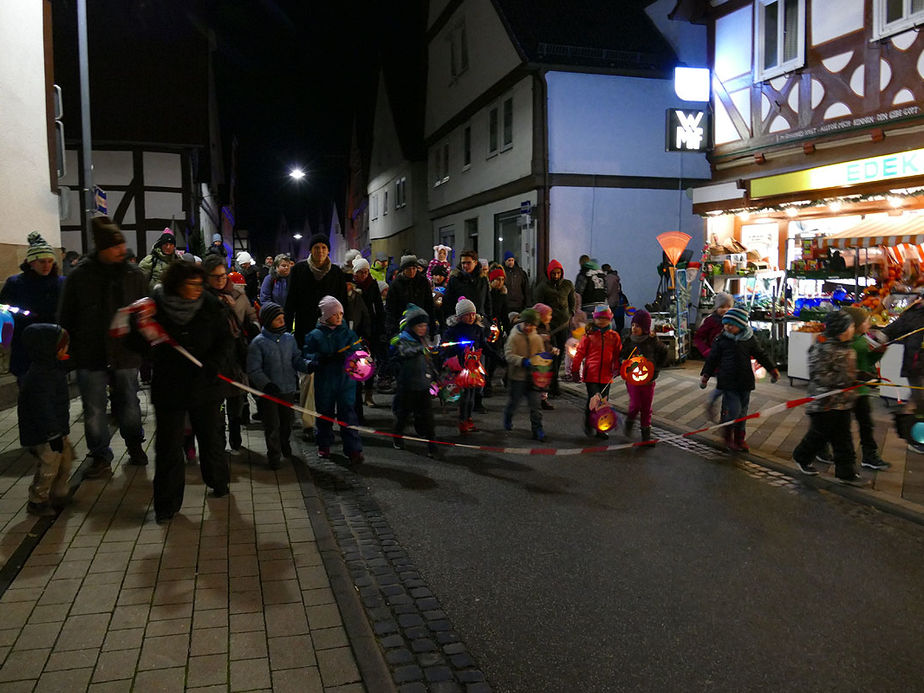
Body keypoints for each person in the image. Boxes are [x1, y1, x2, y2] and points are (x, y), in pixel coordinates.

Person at [139, 261, 233, 523]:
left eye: (198, 284)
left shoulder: (211, 305)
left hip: (205, 383)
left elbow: (225, 339)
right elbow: (143, 344)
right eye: (190, 284)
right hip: (170, 385)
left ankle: (218, 480)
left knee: (210, 435)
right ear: (176, 284)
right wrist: (143, 336)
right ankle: (166, 504)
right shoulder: (156, 306)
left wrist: (214, 364)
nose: (196, 289)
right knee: (169, 445)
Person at [58, 216, 149, 476]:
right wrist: (70, 351)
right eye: (115, 246)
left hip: (126, 352)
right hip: (91, 353)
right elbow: (66, 316)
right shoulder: (79, 277)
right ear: (101, 248)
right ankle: (100, 456)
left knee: (130, 404)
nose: (122, 250)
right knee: (94, 409)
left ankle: (135, 445)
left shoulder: (134, 275)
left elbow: (147, 311)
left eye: (122, 244)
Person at [790, 310, 866, 485]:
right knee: (819, 434)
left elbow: (848, 371)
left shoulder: (847, 347)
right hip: (824, 403)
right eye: (851, 326)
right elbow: (821, 376)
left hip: (843, 402)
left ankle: (846, 473)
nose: (853, 329)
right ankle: (801, 456)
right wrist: (850, 380)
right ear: (841, 329)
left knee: (843, 438)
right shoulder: (822, 347)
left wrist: (861, 375)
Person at [700, 307, 779, 452]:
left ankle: (739, 439)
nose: (728, 327)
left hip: (745, 382)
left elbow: (760, 354)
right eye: (726, 324)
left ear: (742, 325)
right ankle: (728, 437)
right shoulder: (721, 339)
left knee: (742, 413)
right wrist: (706, 375)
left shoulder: (749, 339)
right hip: (728, 382)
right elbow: (712, 359)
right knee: (734, 411)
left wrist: (772, 369)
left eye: (732, 324)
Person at [203, 255, 260, 451]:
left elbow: (250, 315)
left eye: (223, 275)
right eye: (215, 276)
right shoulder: (202, 298)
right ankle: (219, 438)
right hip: (214, 358)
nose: (220, 279)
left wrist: (253, 326)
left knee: (236, 399)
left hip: (236, 355)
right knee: (216, 404)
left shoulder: (237, 295)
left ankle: (235, 433)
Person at [18, 324, 74, 516]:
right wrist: (53, 433)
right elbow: (43, 408)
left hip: (55, 429)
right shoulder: (40, 376)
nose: (66, 350)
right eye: (63, 347)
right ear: (49, 349)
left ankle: (58, 493)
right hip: (44, 433)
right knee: (49, 465)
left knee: (65, 460)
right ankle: (38, 499)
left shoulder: (52, 368)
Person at [247, 303, 311, 469]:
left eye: (283, 318)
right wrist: (266, 384)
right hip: (269, 393)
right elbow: (254, 369)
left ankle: (285, 443)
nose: (282, 322)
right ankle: (274, 455)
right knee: (272, 424)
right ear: (268, 321)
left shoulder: (288, 339)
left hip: (287, 388)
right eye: (278, 319)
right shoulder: (258, 343)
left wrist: (307, 365)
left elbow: (296, 359)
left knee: (287, 421)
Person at [304, 296, 364, 464]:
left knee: (348, 415)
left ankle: (353, 449)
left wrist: (351, 356)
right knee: (324, 414)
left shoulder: (349, 334)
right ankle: (324, 444)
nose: (338, 317)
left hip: (345, 382)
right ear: (324, 315)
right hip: (325, 381)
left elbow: (357, 353)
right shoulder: (315, 335)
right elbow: (307, 355)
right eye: (334, 314)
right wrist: (318, 360)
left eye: (340, 313)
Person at [0, 232, 65, 382]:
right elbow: (4, 310)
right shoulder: (15, 283)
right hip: (25, 343)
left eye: (50, 261)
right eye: (42, 262)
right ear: (31, 262)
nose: (47, 266)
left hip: (54, 343)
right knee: (28, 386)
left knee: (55, 388)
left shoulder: (61, 283)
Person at [876, 291, 924, 453]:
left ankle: (908, 427)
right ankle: (915, 439)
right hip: (916, 366)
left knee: (917, 401)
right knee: (920, 402)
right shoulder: (913, 314)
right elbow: (892, 329)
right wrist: (879, 337)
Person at [843, 307, 890, 470]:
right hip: (847, 391)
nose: (869, 323)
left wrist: (879, 353)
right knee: (838, 425)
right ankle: (820, 448)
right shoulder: (848, 342)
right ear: (856, 324)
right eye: (866, 321)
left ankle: (870, 455)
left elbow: (867, 361)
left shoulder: (863, 340)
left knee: (866, 424)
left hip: (861, 391)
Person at [392, 304, 440, 458]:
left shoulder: (423, 340)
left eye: (425, 325)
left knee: (428, 417)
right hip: (407, 385)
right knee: (403, 415)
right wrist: (419, 349)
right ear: (412, 325)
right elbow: (404, 352)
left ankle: (433, 446)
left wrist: (435, 374)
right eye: (420, 325)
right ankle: (398, 437)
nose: (423, 328)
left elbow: (428, 360)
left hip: (423, 384)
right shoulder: (402, 339)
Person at [285, 234, 349, 348]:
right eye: (316, 247)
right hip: (305, 325)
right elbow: (291, 300)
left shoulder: (336, 272)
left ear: (328, 250)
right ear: (310, 250)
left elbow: (343, 301)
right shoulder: (298, 270)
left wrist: (344, 326)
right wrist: (287, 328)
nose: (320, 251)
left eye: (324, 247)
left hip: (330, 327)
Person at [571, 305, 622, 439]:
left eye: (605, 319)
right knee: (593, 401)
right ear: (595, 319)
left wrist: (617, 367)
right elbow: (580, 353)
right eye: (600, 319)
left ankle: (601, 428)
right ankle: (589, 423)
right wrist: (575, 370)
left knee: (603, 402)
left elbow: (617, 354)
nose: (602, 321)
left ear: (610, 319)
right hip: (591, 374)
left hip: (606, 375)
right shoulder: (589, 336)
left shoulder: (614, 336)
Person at [620, 310, 669, 444]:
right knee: (636, 405)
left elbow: (664, 352)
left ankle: (646, 433)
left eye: (638, 326)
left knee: (646, 407)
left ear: (645, 328)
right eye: (633, 325)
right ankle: (630, 420)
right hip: (632, 380)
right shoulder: (629, 341)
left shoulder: (652, 341)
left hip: (648, 381)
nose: (634, 328)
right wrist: (623, 363)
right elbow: (622, 355)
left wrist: (656, 369)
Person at [442, 298, 486, 433]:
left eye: (473, 314)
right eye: (468, 314)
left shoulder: (477, 329)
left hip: (473, 367)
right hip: (461, 367)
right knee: (466, 396)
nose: (472, 317)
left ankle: (468, 418)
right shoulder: (454, 330)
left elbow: (484, 345)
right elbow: (446, 346)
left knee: (472, 395)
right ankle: (463, 419)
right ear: (460, 316)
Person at [503, 308, 545, 441]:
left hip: (533, 378)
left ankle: (537, 428)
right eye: (526, 324)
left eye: (531, 325)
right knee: (514, 402)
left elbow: (541, 354)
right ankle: (508, 416)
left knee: (535, 406)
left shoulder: (537, 338)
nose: (528, 327)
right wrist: (522, 361)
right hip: (517, 377)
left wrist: (541, 363)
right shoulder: (514, 337)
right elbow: (509, 355)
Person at [534, 259, 575, 397]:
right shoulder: (542, 287)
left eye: (558, 273)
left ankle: (554, 383)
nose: (556, 276)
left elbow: (571, 302)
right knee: (551, 354)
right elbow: (537, 304)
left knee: (560, 353)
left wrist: (570, 314)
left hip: (563, 324)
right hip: (549, 326)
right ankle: (551, 385)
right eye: (554, 273)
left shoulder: (567, 285)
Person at [352, 257, 386, 407]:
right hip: (356, 327)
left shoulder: (372, 285)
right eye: (360, 272)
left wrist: (380, 328)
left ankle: (369, 394)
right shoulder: (351, 286)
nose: (364, 275)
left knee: (370, 361)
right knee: (356, 361)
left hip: (370, 327)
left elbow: (378, 307)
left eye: (366, 272)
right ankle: (357, 395)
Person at [385, 255, 434, 336]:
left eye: (414, 268)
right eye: (408, 269)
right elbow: (391, 309)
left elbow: (429, 304)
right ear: (403, 269)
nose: (411, 272)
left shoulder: (423, 282)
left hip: (421, 324)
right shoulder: (396, 284)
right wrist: (392, 330)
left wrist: (432, 326)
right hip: (402, 325)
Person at [484, 267, 510, 397]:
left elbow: (504, 315)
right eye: (497, 280)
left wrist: (508, 329)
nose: (500, 282)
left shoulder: (502, 296)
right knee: (486, 357)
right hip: (486, 328)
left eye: (502, 280)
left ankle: (488, 381)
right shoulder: (487, 293)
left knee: (494, 357)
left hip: (496, 330)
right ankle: (485, 383)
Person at [444, 249, 491, 321]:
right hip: (460, 321)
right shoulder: (455, 279)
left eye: (468, 263)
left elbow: (487, 302)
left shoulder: (482, 279)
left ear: (475, 262)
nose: (465, 266)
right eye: (463, 263)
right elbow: (448, 301)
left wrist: (488, 320)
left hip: (480, 321)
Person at [693, 292, 734, 359]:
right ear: (716, 308)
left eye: (729, 307)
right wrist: (706, 351)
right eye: (722, 307)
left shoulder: (735, 321)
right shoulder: (711, 321)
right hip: (715, 358)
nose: (725, 310)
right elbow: (698, 338)